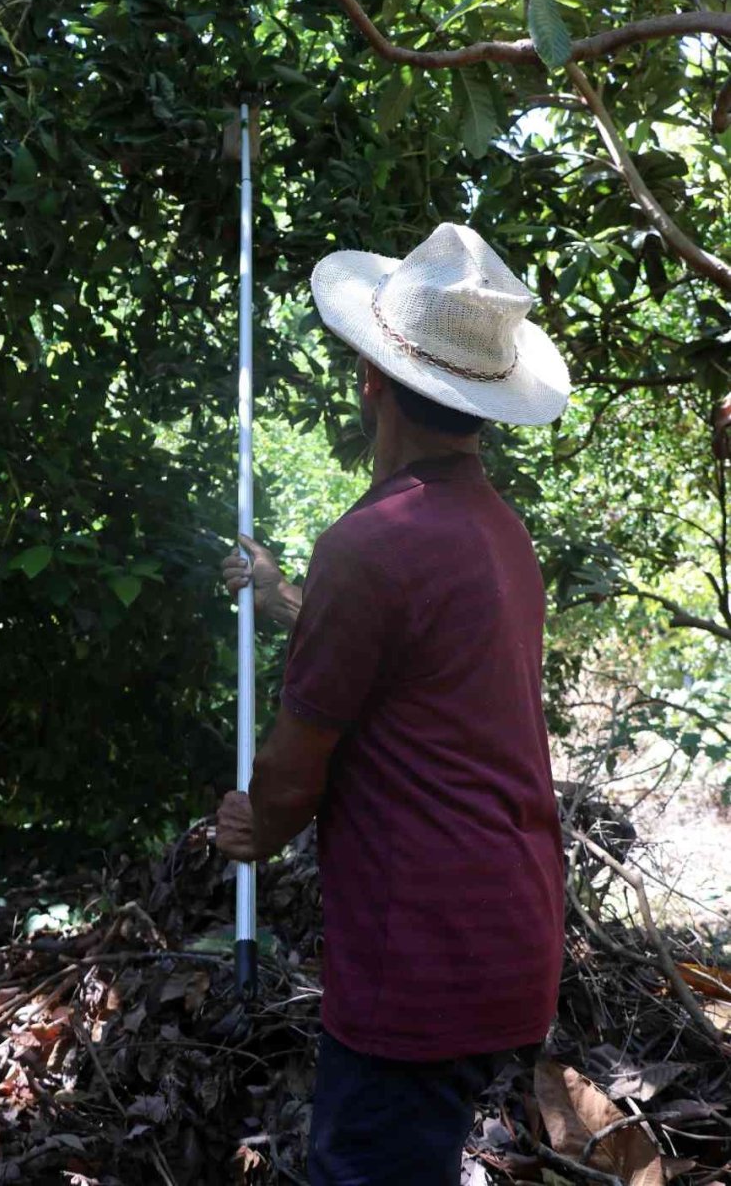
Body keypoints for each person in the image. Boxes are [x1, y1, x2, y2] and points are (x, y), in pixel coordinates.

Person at [216, 223, 571, 1186]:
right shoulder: (500, 532)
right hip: (509, 931)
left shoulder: (370, 545)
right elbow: (414, 663)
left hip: (419, 953)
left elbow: (294, 769)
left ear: (371, 375)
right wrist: (281, 594)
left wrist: (257, 823)